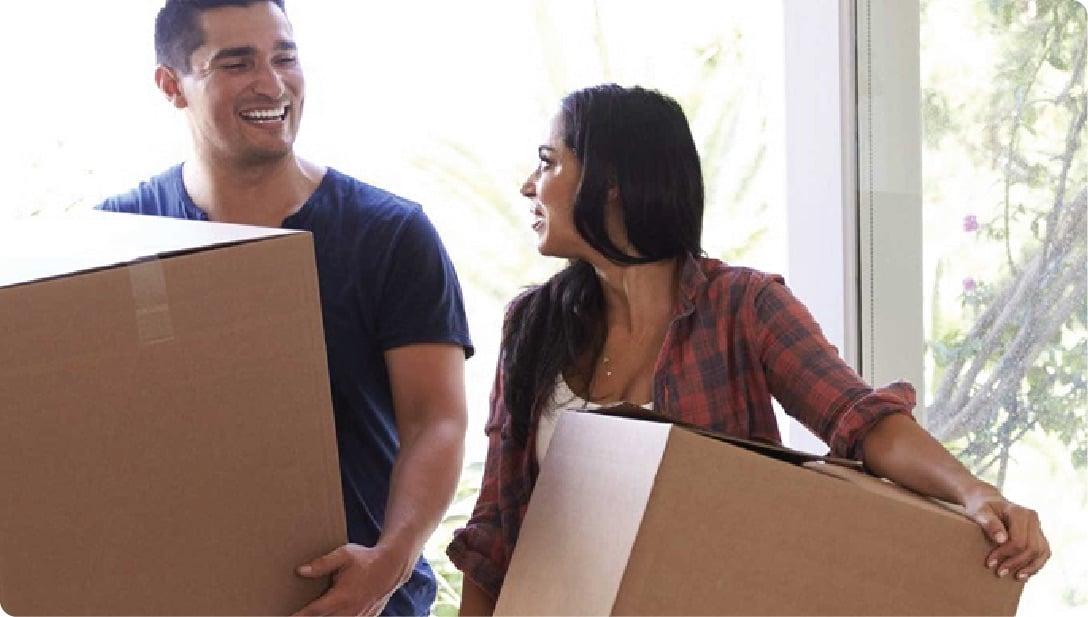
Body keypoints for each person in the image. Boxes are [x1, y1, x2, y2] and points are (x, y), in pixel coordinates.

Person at [446, 84, 1051, 615]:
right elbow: (499, 525)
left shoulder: (742, 307)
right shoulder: (533, 324)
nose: (529, 185)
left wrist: (977, 494)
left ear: (611, 186)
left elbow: (860, 420)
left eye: (549, 163)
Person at [96, 1, 473, 615]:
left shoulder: (389, 234)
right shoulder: (119, 237)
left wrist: (388, 565)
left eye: (284, 57)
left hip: (360, 600)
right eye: (236, 63)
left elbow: (437, 420)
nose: (271, 84)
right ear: (172, 86)